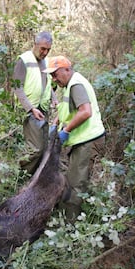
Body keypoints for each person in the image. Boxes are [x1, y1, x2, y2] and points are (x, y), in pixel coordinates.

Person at [43, 56, 106, 221]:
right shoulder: (69, 84)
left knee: (75, 185)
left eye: (56, 75)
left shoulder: (76, 85)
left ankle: (70, 226)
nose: (54, 79)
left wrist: (66, 130)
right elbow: (68, 109)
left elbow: (85, 112)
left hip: (88, 140)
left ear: (67, 70)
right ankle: (75, 215)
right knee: (76, 179)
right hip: (81, 140)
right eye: (52, 76)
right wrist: (56, 123)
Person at [12, 31, 57, 175]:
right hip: (30, 111)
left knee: (44, 147)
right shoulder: (24, 60)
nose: (45, 52)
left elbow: (47, 84)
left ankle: (33, 177)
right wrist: (30, 109)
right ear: (35, 44)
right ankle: (19, 173)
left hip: (42, 110)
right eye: (42, 49)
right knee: (36, 149)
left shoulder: (45, 62)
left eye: (48, 50)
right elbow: (16, 87)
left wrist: (54, 97)